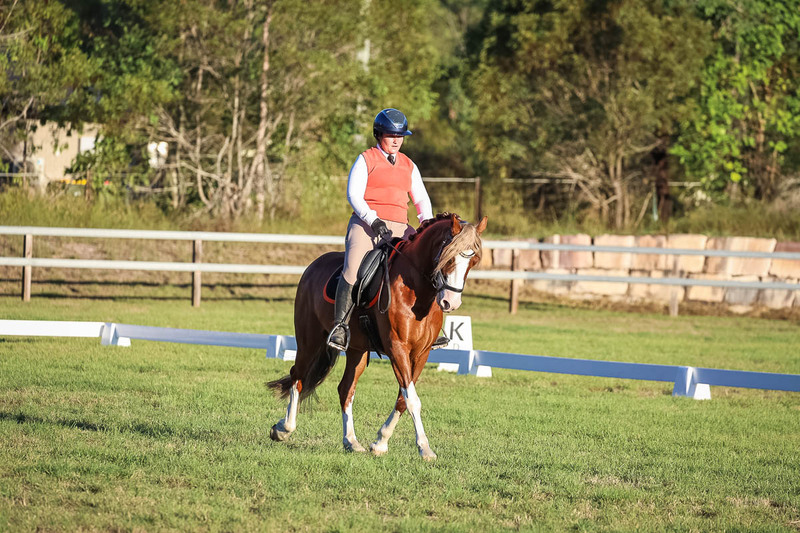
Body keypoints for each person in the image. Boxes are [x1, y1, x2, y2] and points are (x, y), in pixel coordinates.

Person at [327, 108, 434, 351]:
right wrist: (372, 220)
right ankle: (340, 327)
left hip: (400, 226)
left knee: (426, 266)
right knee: (353, 269)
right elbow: (353, 194)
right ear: (379, 135)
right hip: (367, 225)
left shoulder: (409, 165)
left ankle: (430, 328)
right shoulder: (366, 159)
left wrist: (425, 224)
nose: (396, 140)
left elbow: (421, 200)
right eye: (390, 135)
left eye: (400, 135)